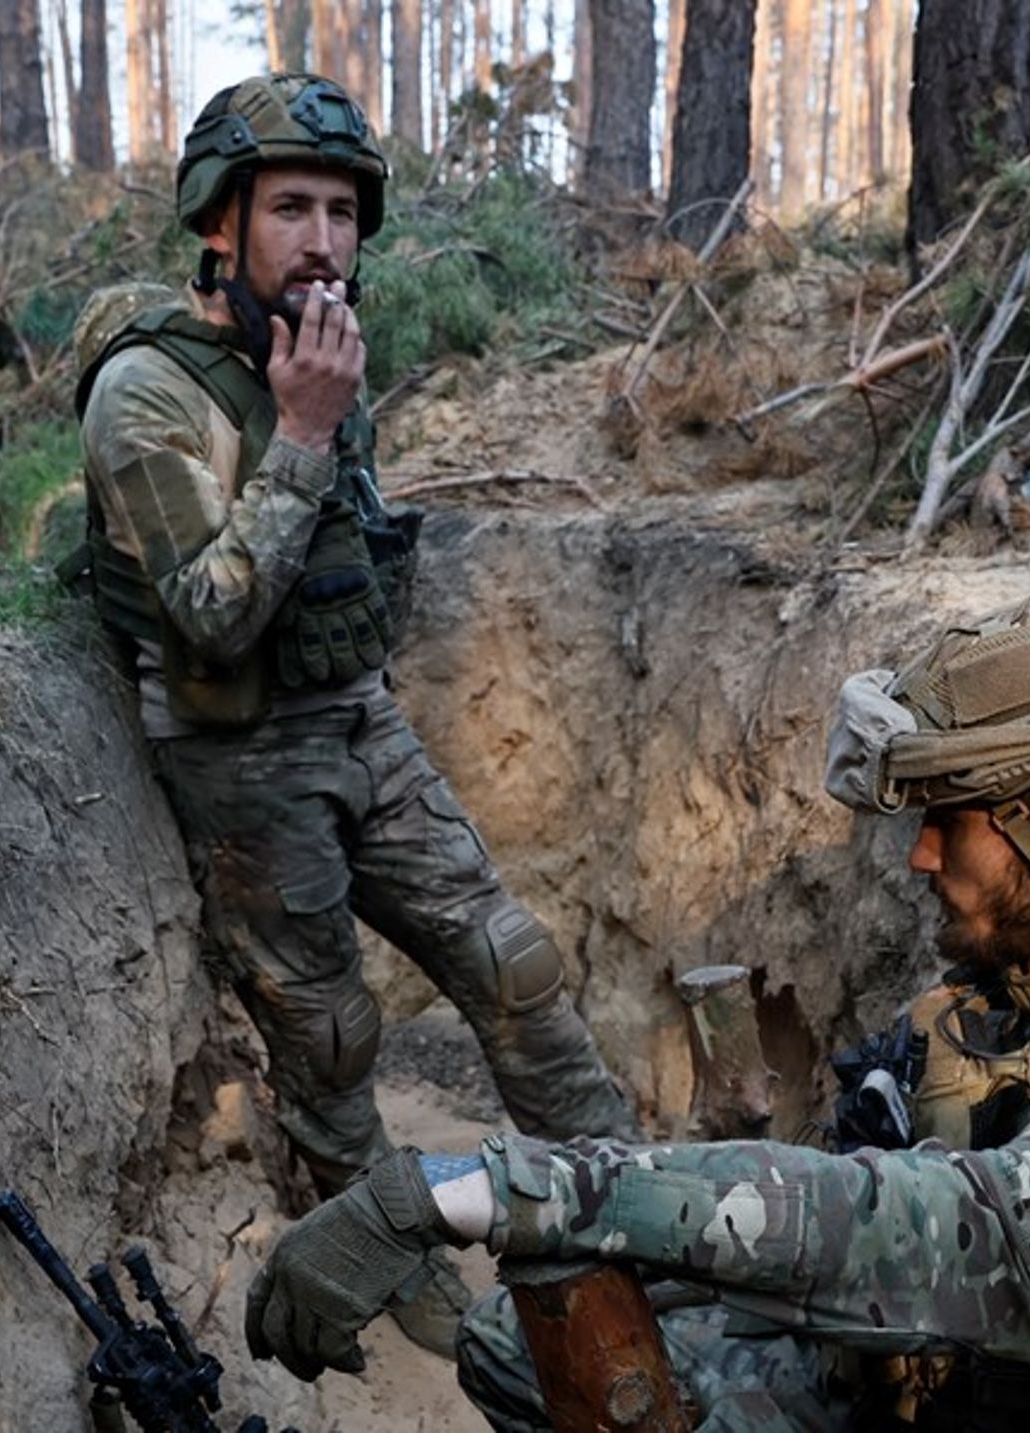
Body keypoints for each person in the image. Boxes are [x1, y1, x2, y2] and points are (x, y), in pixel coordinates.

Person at [242, 595, 1030, 1427]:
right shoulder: (1011, 1007)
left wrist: (475, 1189)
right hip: (879, 1377)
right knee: (512, 1336)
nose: (921, 854)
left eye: (946, 822)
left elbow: (940, 1230)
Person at [68, 72, 637, 1356]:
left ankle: (638, 1202)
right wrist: (308, 431)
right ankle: (389, 1288)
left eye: (342, 211)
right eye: (290, 209)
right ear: (223, 222)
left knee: (514, 965)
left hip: (356, 720)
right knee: (329, 1042)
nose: (323, 239)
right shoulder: (150, 394)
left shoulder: (311, 351)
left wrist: (320, 418)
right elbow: (210, 614)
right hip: (238, 756)